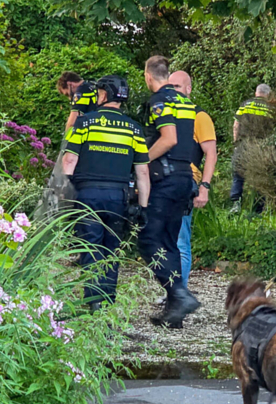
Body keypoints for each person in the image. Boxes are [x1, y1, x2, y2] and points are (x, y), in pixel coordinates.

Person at [62, 75, 150, 311]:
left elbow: (69, 160)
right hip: (118, 198)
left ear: (104, 95)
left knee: (90, 247)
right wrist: (142, 207)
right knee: (111, 250)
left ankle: (93, 302)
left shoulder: (84, 123)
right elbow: (142, 173)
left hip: (88, 195)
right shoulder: (134, 128)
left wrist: (68, 189)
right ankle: (108, 301)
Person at [139, 56, 202, 328]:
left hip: (163, 180)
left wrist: (141, 160)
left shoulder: (159, 102)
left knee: (149, 239)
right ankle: (174, 314)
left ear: (149, 76)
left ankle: (179, 294)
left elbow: (169, 138)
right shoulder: (187, 104)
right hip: (184, 178)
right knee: (170, 242)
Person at [169, 70, 217, 285]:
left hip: (185, 182)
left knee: (180, 240)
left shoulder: (199, 116)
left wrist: (204, 186)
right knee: (163, 240)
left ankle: (179, 291)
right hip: (163, 182)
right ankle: (171, 290)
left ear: (189, 89)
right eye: (170, 87)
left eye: (178, 87)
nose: (173, 92)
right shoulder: (165, 114)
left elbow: (211, 153)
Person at [230, 83, 274, 213]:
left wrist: (235, 142)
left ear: (256, 92)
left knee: (238, 174)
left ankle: (236, 204)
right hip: (260, 147)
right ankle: (258, 209)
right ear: (268, 95)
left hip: (243, 145)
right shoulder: (270, 108)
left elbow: (236, 124)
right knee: (260, 177)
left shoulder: (245, 105)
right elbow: (273, 130)